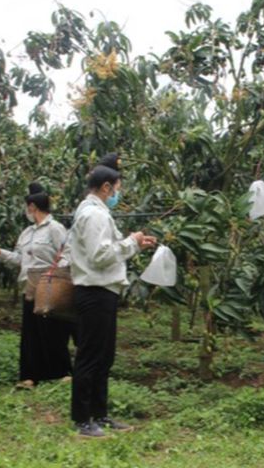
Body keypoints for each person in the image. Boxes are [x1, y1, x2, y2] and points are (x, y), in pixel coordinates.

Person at [69, 165, 156, 438]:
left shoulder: (96, 213)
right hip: (94, 292)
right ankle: (83, 419)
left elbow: (106, 250)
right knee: (90, 356)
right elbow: (100, 255)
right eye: (117, 188)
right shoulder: (94, 215)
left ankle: (99, 413)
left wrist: (134, 244)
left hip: (103, 291)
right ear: (106, 187)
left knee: (103, 357)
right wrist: (131, 241)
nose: (118, 193)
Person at [0, 183, 73, 388]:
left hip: (50, 286)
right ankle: (29, 376)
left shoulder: (55, 229)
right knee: (31, 333)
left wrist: (55, 273)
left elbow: (68, 253)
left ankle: (62, 372)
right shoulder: (26, 233)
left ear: (32, 206)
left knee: (53, 329)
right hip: (30, 286)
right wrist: (1, 254)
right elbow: (20, 259)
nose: (26, 211)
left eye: (27, 207)